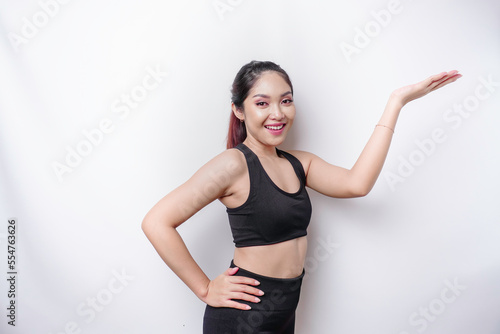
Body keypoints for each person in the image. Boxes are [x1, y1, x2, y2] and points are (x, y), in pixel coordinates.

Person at [141, 60, 461, 333]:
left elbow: (357, 184)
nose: (278, 113)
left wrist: (396, 102)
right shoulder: (233, 164)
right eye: (262, 103)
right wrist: (205, 288)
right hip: (243, 315)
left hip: (285, 310)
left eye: (287, 100)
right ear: (238, 110)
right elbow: (157, 222)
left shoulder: (298, 163)